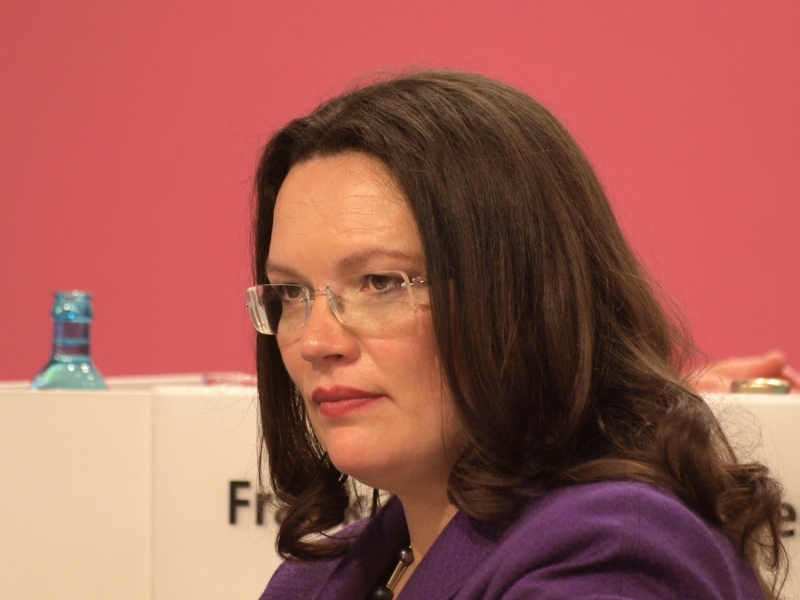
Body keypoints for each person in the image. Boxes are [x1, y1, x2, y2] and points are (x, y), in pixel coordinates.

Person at [248, 71, 787, 599]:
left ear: (521, 294)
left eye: (381, 282)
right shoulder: (314, 579)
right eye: (292, 293)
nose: (316, 342)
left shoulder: (613, 558)